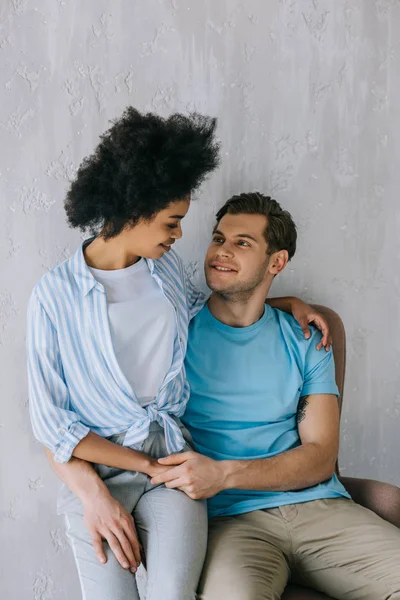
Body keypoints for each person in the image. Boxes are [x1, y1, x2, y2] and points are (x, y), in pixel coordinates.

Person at [26, 110, 330, 600]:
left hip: (175, 464)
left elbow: (205, 309)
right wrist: (101, 489)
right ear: (134, 209)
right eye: (172, 221)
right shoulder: (54, 296)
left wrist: (284, 301)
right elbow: (51, 424)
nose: (179, 236)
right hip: (102, 472)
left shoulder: (163, 270)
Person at [151, 192, 400, 600]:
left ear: (276, 262)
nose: (221, 252)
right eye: (218, 238)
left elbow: (320, 456)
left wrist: (224, 474)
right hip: (229, 523)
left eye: (242, 243)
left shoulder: (306, 340)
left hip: (322, 511)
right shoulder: (177, 332)